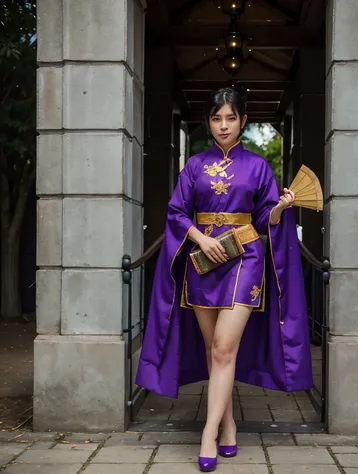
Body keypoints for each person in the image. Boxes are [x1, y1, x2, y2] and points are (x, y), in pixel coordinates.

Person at [136, 87, 313, 472]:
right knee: (215, 351)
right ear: (209, 122)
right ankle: (229, 424)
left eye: (231, 118)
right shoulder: (195, 166)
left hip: (245, 259)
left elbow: (266, 218)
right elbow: (177, 212)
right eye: (216, 118)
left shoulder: (259, 168)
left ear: (243, 122)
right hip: (202, 260)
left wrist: (281, 208)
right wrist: (200, 238)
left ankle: (208, 432)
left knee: (223, 349)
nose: (223, 125)